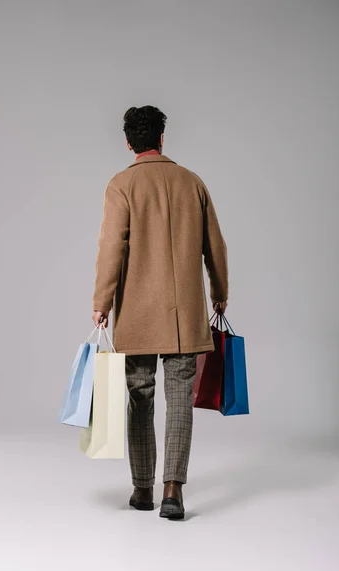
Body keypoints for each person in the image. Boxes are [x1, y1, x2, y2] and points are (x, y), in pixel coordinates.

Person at [92, 105, 228, 520]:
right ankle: (174, 491)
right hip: (184, 312)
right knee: (180, 399)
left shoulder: (122, 184)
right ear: (162, 139)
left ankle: (141, 489)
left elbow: (111, 249)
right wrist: (219, 292)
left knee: (139, 397)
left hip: (136, 312)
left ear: (130, 142)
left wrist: (101, 303)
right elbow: (214, 246)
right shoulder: (192, 182)